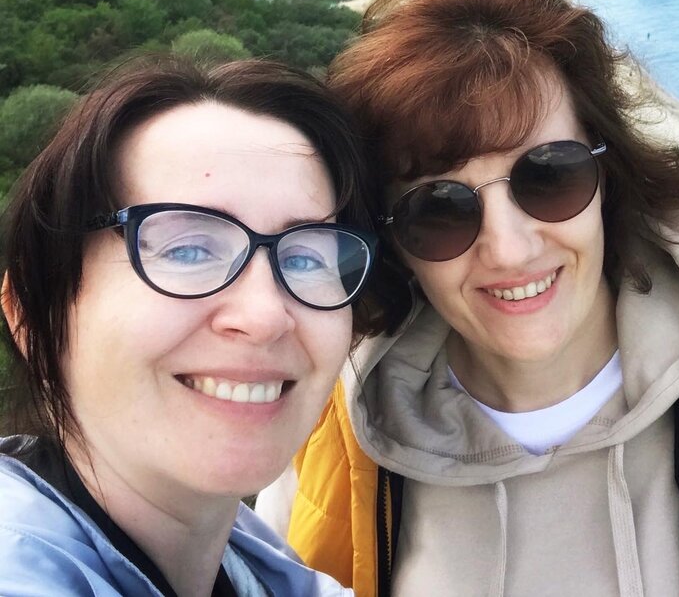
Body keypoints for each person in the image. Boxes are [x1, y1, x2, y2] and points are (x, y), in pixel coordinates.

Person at [257, 0, 679, 597]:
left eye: (548, 177)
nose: (509, 250)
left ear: (606, 172)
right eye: (439, 211)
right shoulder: (341, 412)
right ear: (392, 242)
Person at [0, 56, 389, 596]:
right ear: (31, 312)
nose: (264, 317)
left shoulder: (256, 564)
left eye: (306, 258)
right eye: (187, 249)